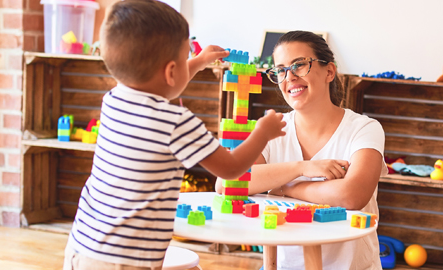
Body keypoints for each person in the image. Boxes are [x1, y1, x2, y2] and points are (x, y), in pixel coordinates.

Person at [62, 1, 286, 269]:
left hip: (83, 245)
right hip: (128, 258)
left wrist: (196, 62)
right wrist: (261, 132)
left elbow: (164, 85)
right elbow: (230, 169)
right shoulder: (175, 122)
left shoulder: (113, 99)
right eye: (185, 55)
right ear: (170, 70)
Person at [216, 30, 388, 270]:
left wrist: (287, 188)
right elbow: (227, 183)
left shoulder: (364, 128)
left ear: (329, 71)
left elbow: (352, 195)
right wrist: (301, 168)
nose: (289, 77)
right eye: (280, 70)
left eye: (299, 65)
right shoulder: (272, 129)